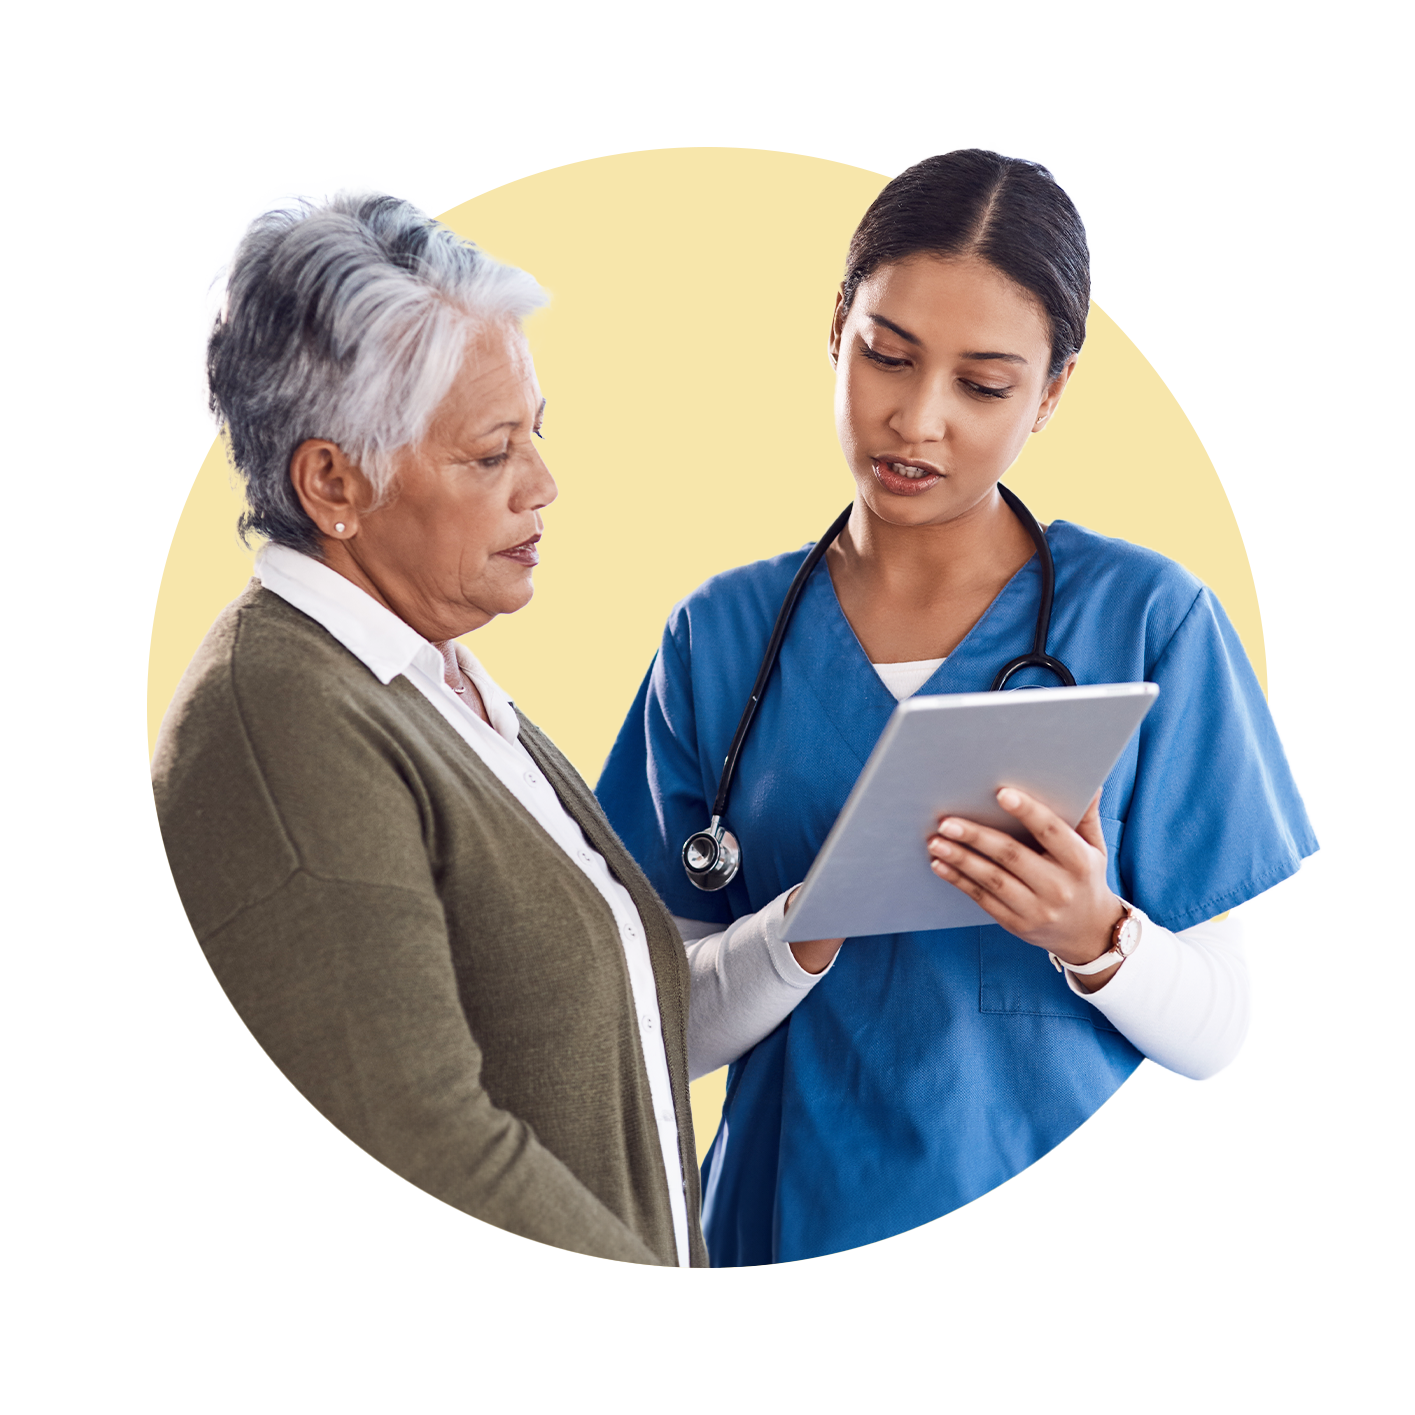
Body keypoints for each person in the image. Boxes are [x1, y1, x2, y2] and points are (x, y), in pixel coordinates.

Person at [596, 148, 1317, 1267]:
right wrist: (797, 932)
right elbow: (647, 1033)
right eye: (887, 355)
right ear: (836, 325)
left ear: (1053, 390)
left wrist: (1094, 935)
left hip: (1048, 1246)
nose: (916, 420)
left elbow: (1217, 1032)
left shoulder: (1147, 617)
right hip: (784, 1231)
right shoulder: (717, 636)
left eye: (982, 385)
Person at [151, 176, 709, 1267]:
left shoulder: (438, 684)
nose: (543, 483)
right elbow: (427, 1149)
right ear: (332, 482)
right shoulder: (280, 721)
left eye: (536, 434)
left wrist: (803, 933)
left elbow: (613, 1025)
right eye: (491, 452)